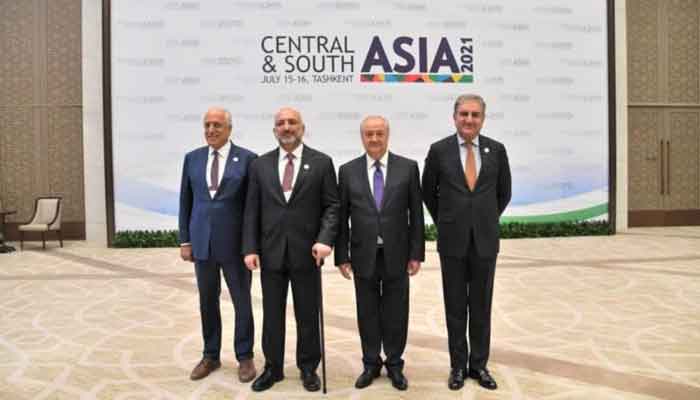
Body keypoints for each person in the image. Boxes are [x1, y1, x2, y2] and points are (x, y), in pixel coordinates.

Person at [242, 107, 339, 392]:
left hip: (308, 253)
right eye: (281, 123)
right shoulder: (259, 165)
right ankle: (273, 368)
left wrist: (325, 239)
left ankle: (309, 368)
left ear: (302, 128)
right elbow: (251, 211)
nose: (286, 127)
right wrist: (250, 248)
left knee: (307, 314)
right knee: (272, 315)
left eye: (292, 122)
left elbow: (332, 206)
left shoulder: (321, 163)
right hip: (270, 253)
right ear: (275, 130)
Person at [422, 94, 512, 390]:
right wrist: (449, 220)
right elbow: (427, 192)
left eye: (475, 115)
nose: (469, 120)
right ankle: (458, 366)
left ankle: (479, 366)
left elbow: (503, 193)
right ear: (454, 117)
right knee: (455, 306)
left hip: (485, 241)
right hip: (452, 242)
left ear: (482, 119)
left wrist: (482, 219)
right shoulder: (439, 151)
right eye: (464, 114)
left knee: (482, 305)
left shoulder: (496, 150)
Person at [335, 116, 424, 391]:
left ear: (388, 135)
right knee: (367, 312)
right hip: (363, 255)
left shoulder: (408, 168)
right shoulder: (347, 171)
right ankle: (371, 363)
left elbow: (416, 215)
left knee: (397, 312)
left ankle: (395, 364)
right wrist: (342, 255)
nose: (374, 139)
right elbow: (342, 217)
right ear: (362, 137)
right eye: (369, 134)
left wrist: (416, 253)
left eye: (379, 133)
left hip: (397, 254)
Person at [178, 107, 257, 383]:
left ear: (229, 129)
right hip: (202, 244)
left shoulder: (248, 159)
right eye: (207, 125)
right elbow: (185, 202)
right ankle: (210, 355)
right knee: (207, 301)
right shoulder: (192, 159)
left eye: (217, 125)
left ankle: (245, 356)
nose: (211, 130)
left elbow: (252, 209)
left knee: (242, 302)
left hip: (235, 247)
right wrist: (185, 239)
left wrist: (251, 246)